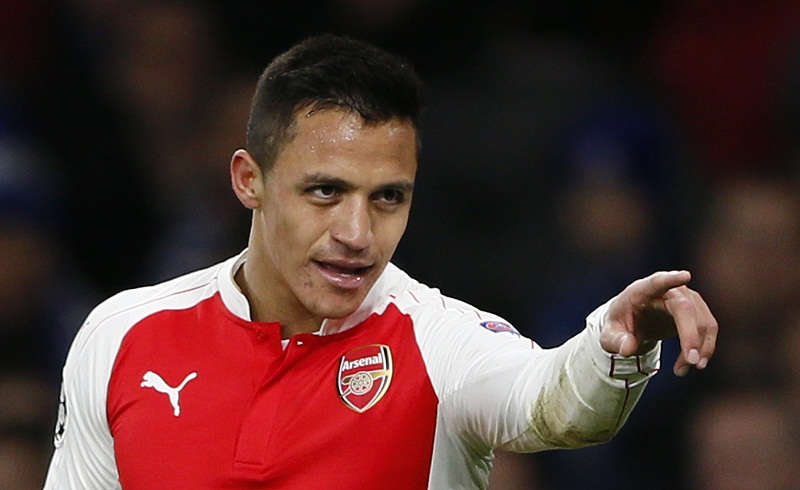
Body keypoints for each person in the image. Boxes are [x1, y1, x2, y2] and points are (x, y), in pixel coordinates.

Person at [43, 34, 717, 489]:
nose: (358, 233)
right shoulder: (122, 335)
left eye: (388, 198)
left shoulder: (438, 340)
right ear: (249, 180)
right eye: (325, 192)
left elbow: (552, 402)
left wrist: (615, 346)